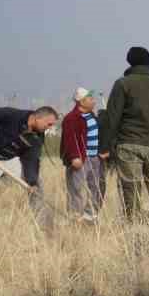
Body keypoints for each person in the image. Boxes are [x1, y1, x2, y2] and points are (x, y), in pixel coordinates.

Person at [100, 46, 149, 222]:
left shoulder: (123, 83)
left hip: (129, 145)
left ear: (129, 61)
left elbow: (112, 118)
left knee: (130, 188)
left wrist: (105, 147)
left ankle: (134, 227)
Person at [59, 87, 107, 221]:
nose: (94, 102)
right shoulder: (72, 118)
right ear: (82, 101)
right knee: (76, 188)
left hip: (95, 158)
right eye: (91, 99)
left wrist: (102, 151)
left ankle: (90, 216)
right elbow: (69, 139)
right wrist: (74, 156)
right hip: (81, 159)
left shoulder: (92, 116)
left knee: (96, 187)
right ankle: (75, 217)